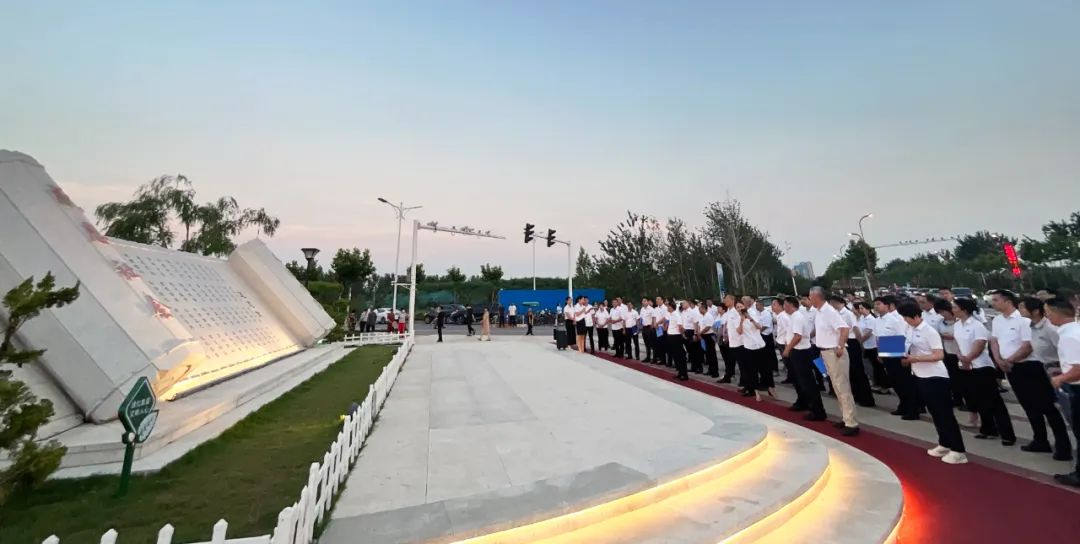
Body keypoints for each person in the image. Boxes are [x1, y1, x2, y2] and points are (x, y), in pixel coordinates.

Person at [991, 290, 1072, 460]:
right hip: (1016, 368)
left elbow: (1030, 347)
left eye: (996, 299)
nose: (1020, 309)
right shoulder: (1021, 323)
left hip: (1036, 368)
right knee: (1029, 405)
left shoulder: (1038, 325)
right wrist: (1000, 360)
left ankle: (1063, 445)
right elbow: (995, 341)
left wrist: (1010, 360)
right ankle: (1040, 440)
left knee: (1048, 407)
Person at [897, 300, 968, 465]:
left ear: (915, 316)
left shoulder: (929, 331)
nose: (905, 321)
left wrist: (916, 358)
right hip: (920, 374)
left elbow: (938, 355)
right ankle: (944, 443)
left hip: (935, 377)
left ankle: (958, 450)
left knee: (945, 414)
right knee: (935, 413)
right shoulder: (909, 329)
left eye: (906, 317)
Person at [954, 297, 1015, 444]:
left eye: (955, 307)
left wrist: (968, 358)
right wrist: (961, 358)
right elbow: (957, 344)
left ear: (964, 309)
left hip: (981, 367)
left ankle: (1007, 434)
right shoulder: (957, 325)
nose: (953, 310)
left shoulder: (977, 325)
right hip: (966, 366)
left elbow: (980, 345)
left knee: (993, 401)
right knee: (978, 399)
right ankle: (988, 429)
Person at [811, 287, 858, 436]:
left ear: (817, 297)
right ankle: (845, 417)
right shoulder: (819, 312)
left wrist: (840, 346)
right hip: (825, 351)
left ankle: (851, 422)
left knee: (842, 387)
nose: (809, 299)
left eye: (811, 297)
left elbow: (844, 328)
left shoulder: (829, 311)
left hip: (834, 352)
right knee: (837, 387)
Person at [1046, 298, 1080, 487]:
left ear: (1056, 312)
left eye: (1048, 312)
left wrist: (1060, 379)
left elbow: (1078, 369)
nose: (1047, 316)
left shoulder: (1069, 336)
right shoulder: (1075, 330)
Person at [876, 295, 922, 419]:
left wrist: (902, 355)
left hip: (897, 349)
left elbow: (903, 336)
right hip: (887, 348)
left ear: (889, 305)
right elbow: (879, 337)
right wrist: (880, 352)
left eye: (879, 304)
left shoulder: (897, 318)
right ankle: (904, 405)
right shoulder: (880, 319)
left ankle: (912, 408)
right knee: (895, 381)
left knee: (904, 382)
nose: (876, 307)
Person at [782, 296, 826, 421]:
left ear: (791, 305)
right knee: (801, 381)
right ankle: (806, 404)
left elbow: (798, 336)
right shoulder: (794, 317)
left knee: (807, 382)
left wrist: (787, 349)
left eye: (785, 304)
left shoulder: (797, 317)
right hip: (798, 351)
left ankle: (817, 411)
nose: (784, 307)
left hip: (800, 352)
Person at [832, 295, 874, 407]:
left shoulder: (848, 314)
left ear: (838, 302)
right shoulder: (836, 314)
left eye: (833, 303)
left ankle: (866, 398)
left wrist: (860, 343)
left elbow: (855, 328)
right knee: (849, 371)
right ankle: (856, 395)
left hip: (852, 342)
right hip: (844, 342)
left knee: (858, 370)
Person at [933, 299, 965, 409]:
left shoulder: (960, 321)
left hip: (962, 353)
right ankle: (957, 399)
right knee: (953, 378)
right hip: (948, 353)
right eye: (939, 312)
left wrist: (954, 337)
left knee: (963, 378)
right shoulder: (939, 323)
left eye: (943, 311)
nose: (942, 314)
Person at [738, 301, 773, 401]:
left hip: (760, 344)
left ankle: (769, 387)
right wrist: (741, 321)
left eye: (741, 306)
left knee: (765, 368)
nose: (740, 308)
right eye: (738, 307)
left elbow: (759, 327)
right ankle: (756, 392)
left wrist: (750, 318)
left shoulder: (752, 314)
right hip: (749, 347)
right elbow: (739, 332)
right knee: (752, 371)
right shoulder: (737, 319)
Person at [856, 302, 889, 394]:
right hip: (866, 345)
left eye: (862, 308)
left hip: (873, 345)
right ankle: (877, 384)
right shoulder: (862, 318)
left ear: (868, 309)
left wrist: (861, 340)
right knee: (873, 366)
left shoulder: (871, 319)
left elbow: (869, 333)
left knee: (878, 366)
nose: (860, 310)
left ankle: (885, 385)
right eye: (859, 308)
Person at [665, 299, 687, 380]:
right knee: (676, 356)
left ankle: (684, 374)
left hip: (676, 337)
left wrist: (683, 335)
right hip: (671, 336)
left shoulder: (676, 315)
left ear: (671, 307)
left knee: (680, 356)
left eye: (668, 306)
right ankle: (680, 372)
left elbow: (680, 326)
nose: (667, 307)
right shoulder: (670, 314)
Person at [773, 298, 793, 383]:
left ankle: (793, 378)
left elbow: (788, 332)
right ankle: (790, 377)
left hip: (784, 344)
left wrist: (786, 346)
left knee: (789, 363)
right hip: (780, 342)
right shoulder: (780, 316)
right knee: (787, 363)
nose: (772, 306)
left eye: (774, 304)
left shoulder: (783, 317)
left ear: (780, 306)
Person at [682, 300, 703, 374]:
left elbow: (696, 323)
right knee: (690, 351)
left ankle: (699, 368)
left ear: (688, 304)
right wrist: (683, 333)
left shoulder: (693, 312)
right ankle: (693, 367)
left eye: (684, 303)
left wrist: (695, 334)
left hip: (692, 332)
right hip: (685, 332)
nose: (682, 304)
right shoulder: (683, 312)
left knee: (695, 351)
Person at [700, 301, 720, 377]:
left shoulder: (708, 316)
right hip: (705, 336)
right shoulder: (703, 316)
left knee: (712, 355)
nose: (699, 310)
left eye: (700, 308)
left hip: (709, 336)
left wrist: (700, 332)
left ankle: (715, 372)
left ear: (703, 308)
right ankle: (711, 370)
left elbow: (708, 327)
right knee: (708, 355)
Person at [653, 297, 668, 365]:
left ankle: (666, 361)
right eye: (656, 300)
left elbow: (665, 318)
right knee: (659, 344)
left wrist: (657, 323)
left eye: (658, 300)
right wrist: (655, 324)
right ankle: (662, 359)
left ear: (662, 300)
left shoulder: (665, 308)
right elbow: (654, 317)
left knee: (664, 345)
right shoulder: (656, 309)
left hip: (663, 328)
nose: (657, 301)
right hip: (658, 328)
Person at [640, 298, 655, 362]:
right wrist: (641, 325)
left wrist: (652, 326)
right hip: (644, 328)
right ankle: (648, 357)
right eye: (642, 301)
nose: (643, 302)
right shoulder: (642, 309)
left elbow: (654, 318)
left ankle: (654, 358)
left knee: (652, 344)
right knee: (646, 344)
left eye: (645, 301)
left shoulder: (651, 309)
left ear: (647, 302)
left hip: (650, 328)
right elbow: (641, 318)